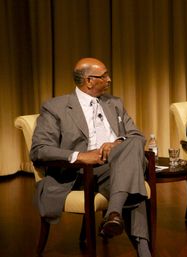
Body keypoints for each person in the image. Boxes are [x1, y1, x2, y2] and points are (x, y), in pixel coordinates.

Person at [30, 57, 152, 257]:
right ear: (89, 80)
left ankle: (113, 214)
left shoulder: (115, 103)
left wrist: (117, 143)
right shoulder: (55, 107)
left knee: (131, 147)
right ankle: (143, 250)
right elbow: (39, 149)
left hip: (116, 164)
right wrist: (80, 155)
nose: (109, 79)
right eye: (104, 76)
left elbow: (137, 136)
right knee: (133, 176)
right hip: (80, 172)